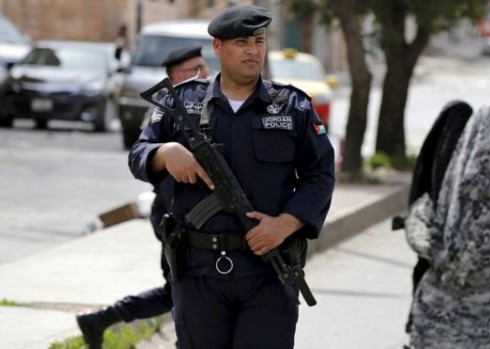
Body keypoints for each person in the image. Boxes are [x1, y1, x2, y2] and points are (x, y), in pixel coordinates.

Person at [128, 5, 335, 349]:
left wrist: (285, 224)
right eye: (242, 42)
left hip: (267, 271)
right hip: (198, 274)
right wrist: (165, 154)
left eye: (259, 41)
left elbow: (320, 174)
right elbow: (138, 153)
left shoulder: (292, 106)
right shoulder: (181, 101)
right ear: (217, 47)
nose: (253, 50)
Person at [76, 46, 209, 349]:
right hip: (172, 213)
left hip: (189, 214)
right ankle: (104, 319)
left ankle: (101, 319)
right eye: (197, 69)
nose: (206, 74)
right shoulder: (164, 109)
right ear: (178, 76)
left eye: (205, 66)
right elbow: (148, 162)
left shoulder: (205, 104)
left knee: (181, 288)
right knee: (182, 288)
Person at [407, 105, 490, 348]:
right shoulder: (480, 168)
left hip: (440, 267)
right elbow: (478, 191)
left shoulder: (458, 166)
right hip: (464, 273)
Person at [395, 100, 473, 344]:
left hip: (427, 232)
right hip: (437, 233)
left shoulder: (436, 147)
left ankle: (419, 328)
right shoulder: (448, 158)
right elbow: (444, 191)